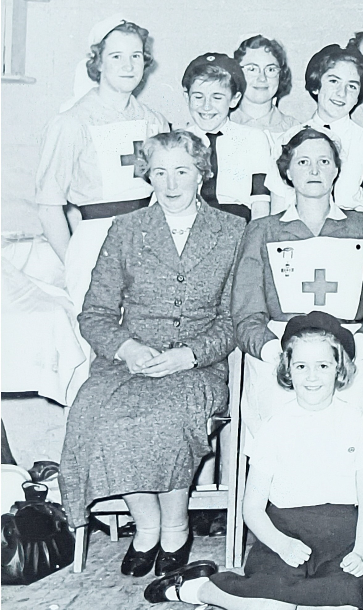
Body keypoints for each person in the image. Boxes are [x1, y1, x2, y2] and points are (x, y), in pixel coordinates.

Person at [58, 130, 245, 577]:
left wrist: (192, 355)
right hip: (127, 361)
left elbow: (235, 318)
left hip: (195, 365)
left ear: (202, 173)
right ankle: (147, 526)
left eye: (182, 170)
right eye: (159, 171)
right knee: (93, 415)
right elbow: (95, 313)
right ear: (148, 176)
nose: (171, 182)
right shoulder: (125, 230)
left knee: (166, 416)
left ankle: (177, 527)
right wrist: (126, 347)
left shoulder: (233, 231)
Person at [144, 312, 363, 609]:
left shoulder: (357, 422)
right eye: (301, 366)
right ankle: (199, 589)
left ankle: (225, 593)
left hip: (342, 539)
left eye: (323, 366)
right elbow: (252, 507)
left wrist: (360, 551)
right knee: (273, 605)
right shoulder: (274, 427)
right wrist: (281, 543)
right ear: (287, 370)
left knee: (340, 606)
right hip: (283, 533)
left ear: (339, 368)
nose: (311, 376)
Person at [231, 128, 363, 458]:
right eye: (303, 162)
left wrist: (353, 348)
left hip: (350, 344)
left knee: (360, 404)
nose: (315, 170)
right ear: (287, 172)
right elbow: (246, 314)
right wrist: (278, 355)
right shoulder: (262, 230)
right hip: (281, 346)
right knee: (277, 405)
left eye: (324, 161)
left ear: (337, 170)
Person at [35, 17, 168, 315]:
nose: (128, 66)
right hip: (95, 244)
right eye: (116, 57)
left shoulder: (155, 121)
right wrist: (75, 259)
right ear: (97, 63)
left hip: (149, 243)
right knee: (99, 339)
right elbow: (48, 205)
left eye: (135, 56)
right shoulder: (71, 122)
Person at [283, 44, 363, 219]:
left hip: (353, 233)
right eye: (334, 81)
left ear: (358, 97)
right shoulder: (289, 138)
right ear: (316, 85)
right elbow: (279, 211)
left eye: (352, 86)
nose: (342, 93)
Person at [180, 53, 283, 222]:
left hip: (238, 223)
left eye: (217, 97)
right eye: (198, 97)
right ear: (187, 97)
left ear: (234, 100)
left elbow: (260, 202)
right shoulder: (179, 142)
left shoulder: (254, 139)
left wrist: (255, 242)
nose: (206, 106)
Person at [230, 35, 299, 134]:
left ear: (281, 74)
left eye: (271, 69)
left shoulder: (293, 130)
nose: (262, 78)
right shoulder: (220, 124)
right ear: (236, 72)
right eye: (252, 69)